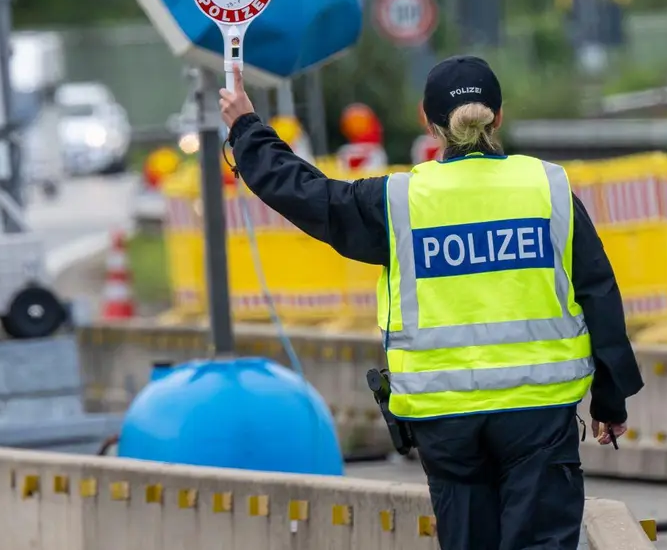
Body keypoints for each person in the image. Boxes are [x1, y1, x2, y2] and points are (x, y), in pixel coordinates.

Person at [220, 55, 643, 550]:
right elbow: (598, 293)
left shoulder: (399, 201)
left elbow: (310, 195)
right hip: (537, 415)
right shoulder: (548, 188)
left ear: (428, 121)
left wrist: (247, 129)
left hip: (445, 420)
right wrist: (610, 399)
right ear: (498, 116)